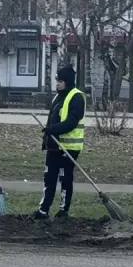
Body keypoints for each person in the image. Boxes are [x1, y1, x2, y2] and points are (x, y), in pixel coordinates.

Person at [33, 65, 84, 219]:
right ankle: (43, 210)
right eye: (57, 81)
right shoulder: (57, 98)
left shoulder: (77, 97)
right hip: (54, 146)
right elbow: (53, 119)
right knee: (49, 178)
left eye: (60, 81)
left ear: (67, 81)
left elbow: (71, 122)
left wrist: (52, 129)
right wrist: (47, 136)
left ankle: (63, 211)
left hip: (68, 147)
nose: (57, 84)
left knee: (65, 179)